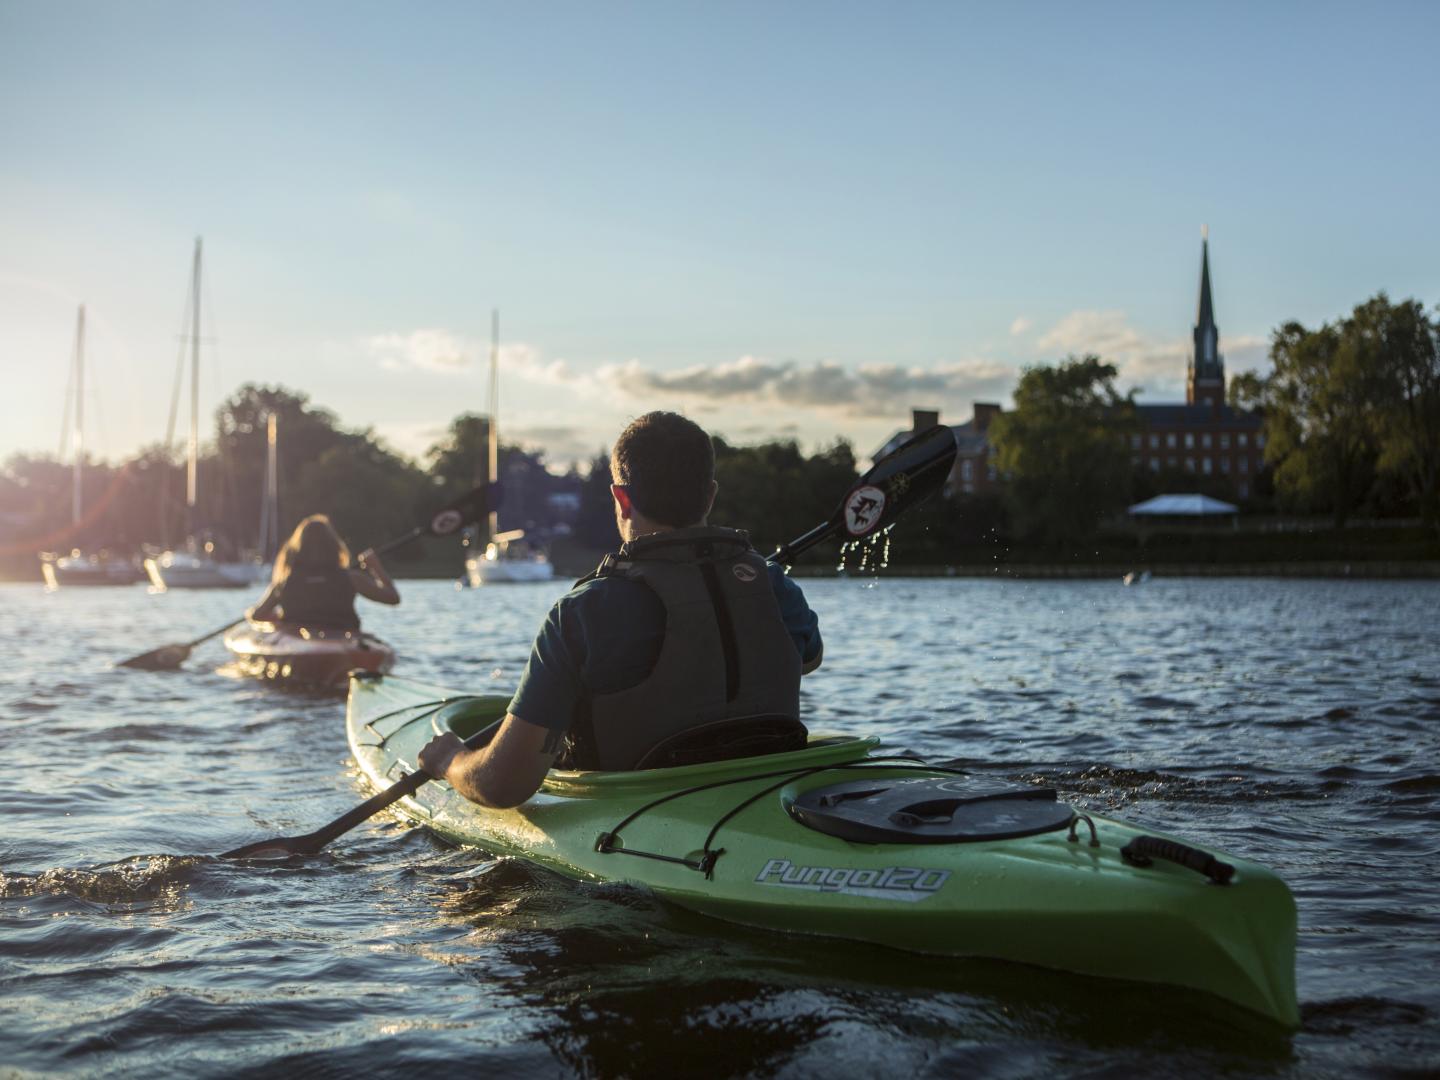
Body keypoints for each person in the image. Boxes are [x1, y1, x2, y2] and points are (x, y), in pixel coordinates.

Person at [419, 411, 823, 807]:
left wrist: (451, 761)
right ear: (711, 495)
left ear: (621, 497)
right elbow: (806, 660)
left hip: (640, 816)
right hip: (765, 794)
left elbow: (501, 786)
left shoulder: (582, 613)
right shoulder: (773, 584)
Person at [247, 514, 399, 630]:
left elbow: (257, 615)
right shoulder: (352, 578)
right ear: (334, 547)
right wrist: (375, 566)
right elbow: (392, 598)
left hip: (298, 640)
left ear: (299, 550)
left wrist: (279, 619)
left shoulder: (285, 582)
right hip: (342, 638)